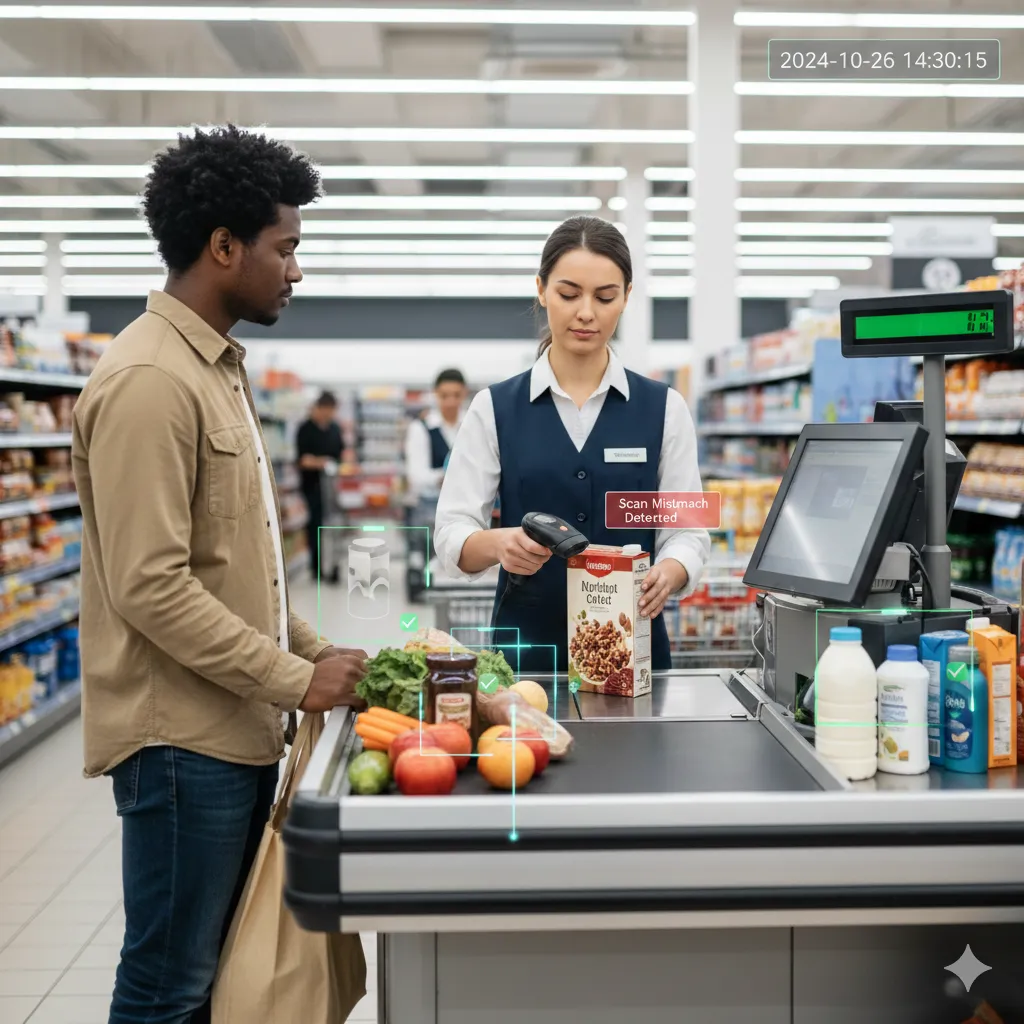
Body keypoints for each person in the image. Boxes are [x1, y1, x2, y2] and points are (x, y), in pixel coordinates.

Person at [71, 126, 367, 1024]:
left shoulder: (216, 371)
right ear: (224, 246)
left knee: (210, 985)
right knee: (169, 988)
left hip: (229, 731)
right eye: (286, 248)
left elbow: (236, 565)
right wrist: (293, 678)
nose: (296, 271)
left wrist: (318, 649)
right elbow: (151, 585)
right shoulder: (151, 382)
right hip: (179, 748)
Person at [434, 215, 710, 674]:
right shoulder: (493, 408)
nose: (586, 312)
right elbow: (451, 532)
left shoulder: (665, 408)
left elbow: (688, 531)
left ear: (626, 297)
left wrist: (673, 570)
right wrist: (499, 544)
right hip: (526, 658)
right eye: (568, 294)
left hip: (633, 652)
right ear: (541, 290)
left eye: (605, 297)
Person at [296, 390, 344, 583]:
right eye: (327, 410)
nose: (329, 414)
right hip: (312, 486)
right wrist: (321, 462)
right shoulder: (305, 428)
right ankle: (316, 568)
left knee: (333, 525)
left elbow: (340, 455)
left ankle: (332, 565)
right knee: (315, 524)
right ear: (319, 408)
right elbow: (302, 460)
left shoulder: (335, 429)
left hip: (331, 487)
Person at [404, 367, 467, 512]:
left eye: (456, 395)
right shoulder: (420, 428)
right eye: (444, 396)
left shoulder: (473, 425)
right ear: (436, 394)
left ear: (464, 393)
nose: (451, 402)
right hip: (432, 507)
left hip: (467, 507)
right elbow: (417, 476)